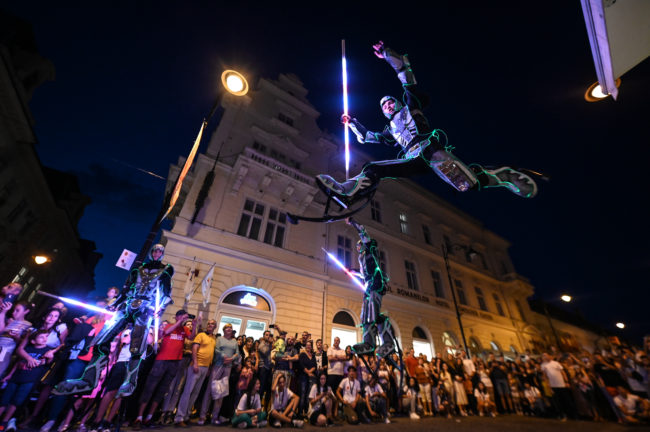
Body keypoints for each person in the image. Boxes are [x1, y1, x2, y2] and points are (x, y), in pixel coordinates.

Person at [316, 41, 538, 205]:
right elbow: (367, 137)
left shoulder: (410, 107)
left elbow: (407, 78)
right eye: (384, 106)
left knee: (465, 184)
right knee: (374, 168)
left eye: (390, 102)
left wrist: (388, 55)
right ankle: (347, 191)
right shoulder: (390, 130)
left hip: (430, 150)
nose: (388, 106)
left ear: (396, 103)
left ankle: (504, 175)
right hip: (412, 158)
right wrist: (352, 122)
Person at [54, 244, 174, 397]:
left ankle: (130, 381)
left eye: (160, 251)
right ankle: (89, 380)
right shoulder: (138, 269)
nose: (157, 253)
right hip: (128, 305)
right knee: (102, 338)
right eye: (155, 250)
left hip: (146, 307)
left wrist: (158, 308)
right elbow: (126, 290)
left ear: (162, 254)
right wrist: (115, 304)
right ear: (151, 252)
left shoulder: (166, 269)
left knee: (137, 345)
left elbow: (166, 293)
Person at [133, 309, 195, 429]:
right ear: (176, 317)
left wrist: (196, 325)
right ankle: (138, 418)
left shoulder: (185, 329)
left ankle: (149, 418)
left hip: (175, 362)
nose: (184, 318)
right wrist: (180, 322)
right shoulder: (170, 325)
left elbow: (192, 337)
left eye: (185, 317)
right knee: (149, 388)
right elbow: (166, 331)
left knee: (162, 390)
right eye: (181, 316)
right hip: (161, 361)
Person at [347, 218, 396, 359]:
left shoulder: (370, 249)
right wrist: (353, 271)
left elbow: (363, 233)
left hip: (375, 283)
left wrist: (353, 223)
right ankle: (386, 340)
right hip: (369, 286)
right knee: (368, 313)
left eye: (359, 245)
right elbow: (363, 274)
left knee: (369, 312)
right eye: (357, 247)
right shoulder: (362, 258)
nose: (357, 248)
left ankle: (370, 343)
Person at [0, 330, 51, 431]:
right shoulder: (27, 349)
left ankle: (4, 422)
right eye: (41, 337)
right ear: (33, 341)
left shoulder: (47, 351)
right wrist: (9, 375)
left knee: (16, 401)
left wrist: (45, 359)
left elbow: (46, 362)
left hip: (29, 380)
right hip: (16, 378)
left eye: (46, 336)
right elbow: (18, 362)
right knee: (4, 399)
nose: (45, 339)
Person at [174, 319, 217, 426]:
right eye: (209, 323)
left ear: (215, 326)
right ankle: (179, 418)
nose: (210, 325)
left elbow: (211, 354)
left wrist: (209, 368)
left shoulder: (213, 338)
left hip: (205, 368)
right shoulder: (201, 335)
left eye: (212, 324)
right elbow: (194, 348)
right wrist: (195, 363)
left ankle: (187, 415)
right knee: (187, 391)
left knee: (195, 393)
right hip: (196, 366)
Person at [201, 322, 240, 425]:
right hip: (218, 365)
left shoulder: (234, 342)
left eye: (230, 328)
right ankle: (202, 416)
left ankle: (215, 417)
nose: (229, 329)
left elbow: (237, 353)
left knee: (221, 392)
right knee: (210, 390)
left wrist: (231, 358)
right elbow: (216, 350)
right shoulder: (219, 339)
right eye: (227, 328)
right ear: (224, 330)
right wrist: (224, 356)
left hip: (228, 367)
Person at [0, 301, 32, 379]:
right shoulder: (9, 320)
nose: (13, 312)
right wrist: (3, 313)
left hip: (6, 350)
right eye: (14, 310)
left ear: (26, 311)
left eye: (17, 310)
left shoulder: (27, 324)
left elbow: (24, 343)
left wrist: (16, 337)